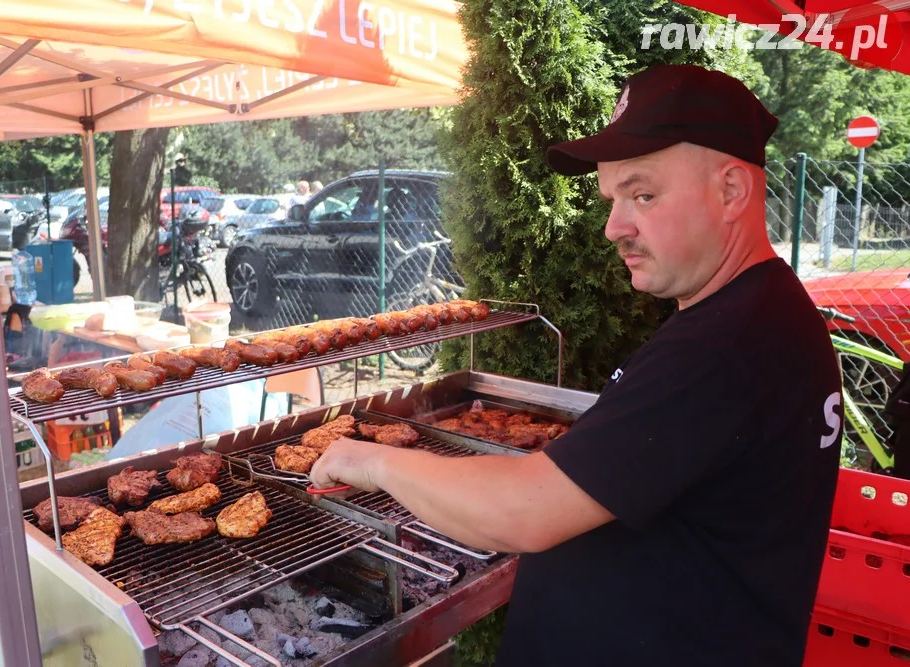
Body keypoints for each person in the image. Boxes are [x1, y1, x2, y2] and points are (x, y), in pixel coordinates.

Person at [309, 64, 843, 666]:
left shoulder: (729, 344)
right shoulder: (761, 312)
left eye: (643, 194)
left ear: (731, 192)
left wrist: (374, 460)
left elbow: (522, 512)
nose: (616, 227)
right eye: (612, 199)